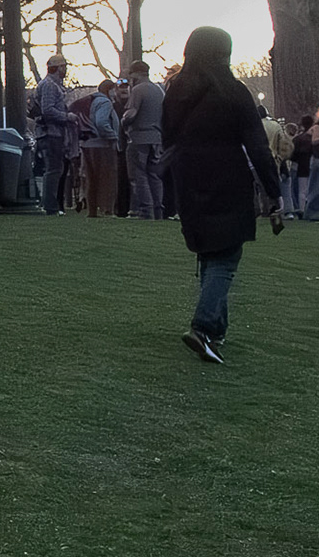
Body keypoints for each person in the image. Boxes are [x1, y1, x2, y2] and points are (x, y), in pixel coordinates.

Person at [161, 27, 283, 364]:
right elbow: (258, 147)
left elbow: (167, 138)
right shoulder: (234, 91)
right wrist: (274, 193)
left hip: (188, 176)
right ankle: (202, 327)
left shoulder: (175, 91)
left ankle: (217, 328)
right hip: (227, 175)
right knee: (226, 256)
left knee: (209, 251)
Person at [123, 60, 165, 218]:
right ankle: (158, 210)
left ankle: (145, 210)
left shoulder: (138, 90)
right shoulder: (159, 90)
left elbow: (132, 113)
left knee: (138, 174)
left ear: (135, 74)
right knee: (154, 174)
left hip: (139, 138)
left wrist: (124, 120)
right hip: (157, 138)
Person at [31, 54, 72, 215]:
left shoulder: (52, 85)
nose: (65, 70)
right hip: (50, 133)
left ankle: (49, 205)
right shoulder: (49, 85)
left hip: (50, 132)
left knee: (55, 169)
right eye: (64, 66)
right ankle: (50, 206)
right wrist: (67, 116)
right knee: (54, 169)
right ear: (58, 68)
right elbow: (48, 110)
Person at [81, 79, 121, 217]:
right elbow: (102, 122)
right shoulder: (105, 102)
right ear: (109, 90)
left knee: (91, 179)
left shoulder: (90, 102)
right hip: (102, 145)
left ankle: (92, 211)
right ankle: (107, 210)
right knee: (107, 178)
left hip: (88, 144)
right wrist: (113, 135)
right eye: (113, 90)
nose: (115, 93)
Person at [287, 115, 313, 217]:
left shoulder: (298, 139)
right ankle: (312, 208)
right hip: (314, 164)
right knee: (313, 188)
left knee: (302, 190)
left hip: (300, 166)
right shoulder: (315, 138)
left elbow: (292, 154)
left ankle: (302, 209)